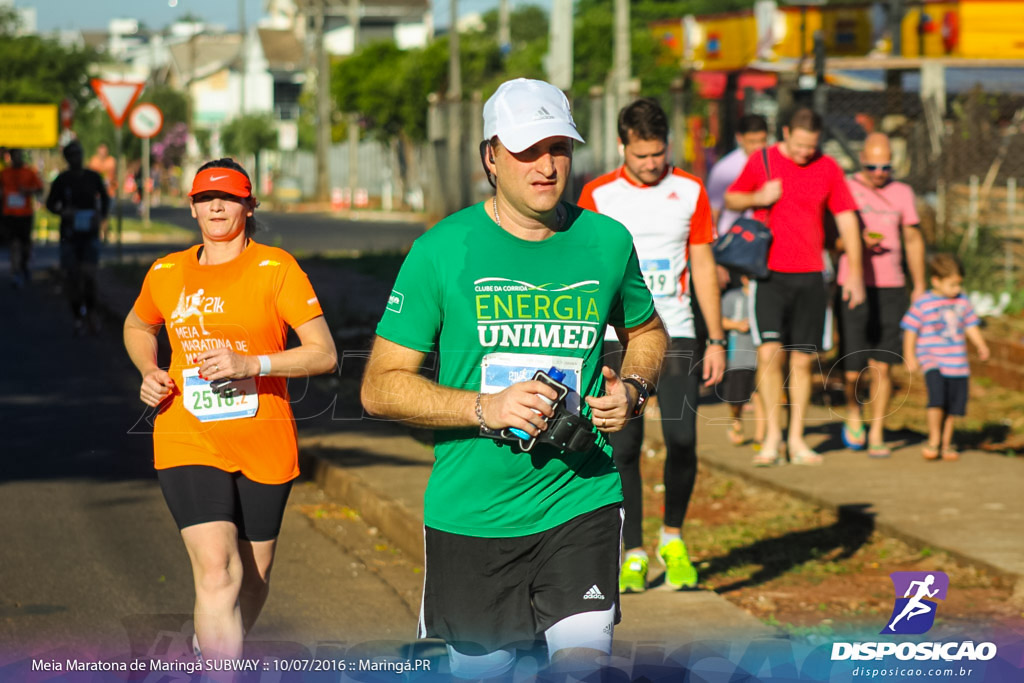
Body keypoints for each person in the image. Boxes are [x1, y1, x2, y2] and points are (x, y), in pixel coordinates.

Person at [360, 78, 668, 679]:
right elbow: (379, 386)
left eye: (559, 147)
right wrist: (486, 407)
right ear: (491, 157)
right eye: (528, 149)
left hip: (582, 497)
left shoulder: (607, 241)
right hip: (473, 515)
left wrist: (633, 389)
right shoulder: (441, 250)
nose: (546, 165)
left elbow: (649, 334)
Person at [123, 158, 338, 663]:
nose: (216, 206)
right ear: (192, 207)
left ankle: (210, 644)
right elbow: (138, 326)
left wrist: (253, 362)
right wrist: (148, 369)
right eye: (204, 198)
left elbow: (324, 352)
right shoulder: (166, 271)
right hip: (186, 434)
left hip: (263, 438)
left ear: (249, 204)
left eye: (228, 196)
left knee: (253, 580)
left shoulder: (276, 268)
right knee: (218, 571)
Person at [577, 97, 725, 594]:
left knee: (683, 439)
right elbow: (584, 269)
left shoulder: (690, 191)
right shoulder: (597, 195)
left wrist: (719, 336)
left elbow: (702, 263)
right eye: (641, 155)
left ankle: (673, 539)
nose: (651, 164)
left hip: (678, 329)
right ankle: (634, 550)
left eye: (658, 153)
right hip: (617, 336)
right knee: (626, 445)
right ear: (623, 146)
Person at [725, 107, 865, 466]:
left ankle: (798, 438)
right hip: (768, 274)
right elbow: (732, 198)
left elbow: (847, 219)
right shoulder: (763, 160)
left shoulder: (828, 167)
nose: (806, 153)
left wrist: (855, 273)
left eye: (812, 146)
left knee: (803, 362)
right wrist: (759, 198)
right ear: (786, 133)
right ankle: (771, 437)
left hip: (811, 274)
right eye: (800, 145)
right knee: (770, 356)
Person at [835, 132, 927, 458]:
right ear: (862, 159)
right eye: (873, 165)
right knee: (852, 367)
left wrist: (918, 286)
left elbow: (913, 240)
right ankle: (853, 413)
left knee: (883, 365)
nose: (879, 172)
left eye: (885, 166)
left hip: (891, 286)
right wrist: (856, 242)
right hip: (854, 284)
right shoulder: (846, 187)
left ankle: (876, 431)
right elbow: (833, 242)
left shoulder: (903, 193)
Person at [901, 254, 989, 461]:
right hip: (932, 360)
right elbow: (910, 329)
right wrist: (909, 356)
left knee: (952, 405)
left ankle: (947, 443)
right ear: (936, 281)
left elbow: (970, 325)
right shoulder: (924, 303)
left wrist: (981, 345)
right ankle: (934, 440)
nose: (956, 289)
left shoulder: (962, 301)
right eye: (952, 285)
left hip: (957, 362)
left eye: (959, 284)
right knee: (937, 400)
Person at [46, 140, 111, 334]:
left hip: (90, 233)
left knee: (89, 275)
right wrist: (63, 211)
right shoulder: (62, 179)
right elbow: (50, 204)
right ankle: (77, 316)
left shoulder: (92, 177)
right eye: (72, 154)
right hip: (69, 235)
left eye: (79, 153)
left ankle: (91, 312)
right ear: (67, 158)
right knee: (72, 277)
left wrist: (101, 216)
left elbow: (105, 198)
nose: (76, 158)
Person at [719, 273, 765, 446]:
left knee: (760, 396)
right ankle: (735, 420)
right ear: (744, 278)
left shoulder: (764, 296)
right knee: (736, 399)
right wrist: (737, 325)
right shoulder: (732, 297)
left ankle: (761, 437)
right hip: (738, 355)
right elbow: (720, 320)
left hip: (760, 357)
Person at [706, 114, 769, 237]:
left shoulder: (773, 161)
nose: (758, 147)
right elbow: (713, 211)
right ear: (739, 138)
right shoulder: (724, 169)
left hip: (765, 237)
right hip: (734, 242)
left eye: (762, 140)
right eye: (752, 142)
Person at [1, 148, 44, 288]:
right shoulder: (4, 173)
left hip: (25, 214)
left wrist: (28, 191)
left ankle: (24, 265)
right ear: (11, 158)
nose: (17, 159)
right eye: (15, 156)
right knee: (14, 244)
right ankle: (15, 272)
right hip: (10, 214)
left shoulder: (29, 172)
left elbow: (40, 189)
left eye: (20, 156)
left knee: (25, 244)